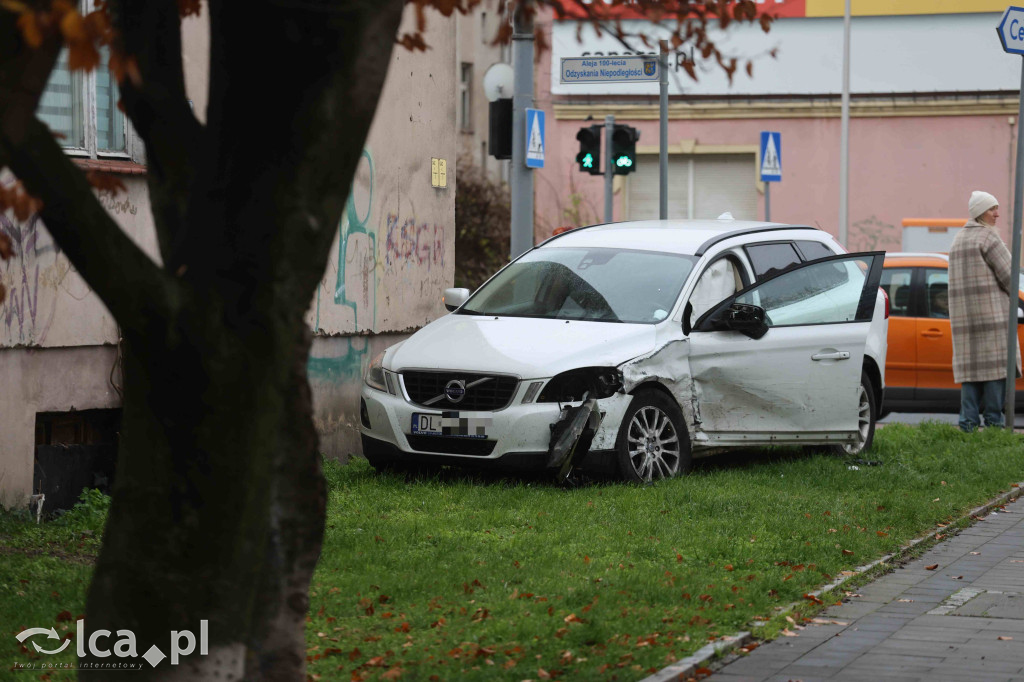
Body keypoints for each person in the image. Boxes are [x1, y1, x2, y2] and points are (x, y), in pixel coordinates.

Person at [947, 191, 1022, 431]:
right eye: (992, 209)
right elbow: (1010, 277)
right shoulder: (988, 238)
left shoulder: (958, 240)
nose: (997, 214)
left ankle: (967, 425)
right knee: (994, 371)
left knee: (971, 373)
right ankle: (994, 425)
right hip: (992, 319)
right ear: (981, 212)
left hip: (965, 320)